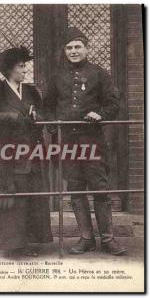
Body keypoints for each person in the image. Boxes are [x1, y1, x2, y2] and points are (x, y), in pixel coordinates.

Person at [43, 27, 127, 255]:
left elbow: (113, 104)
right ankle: (86, 238)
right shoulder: (57, 77)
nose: (73, 51)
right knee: (76, 187)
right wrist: (53, 124)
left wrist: (101, 114)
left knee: (99, 187)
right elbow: (47, 107)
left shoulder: (100, 74)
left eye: (77, 47)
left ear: (87, 49)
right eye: (69, 47)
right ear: (65, 50)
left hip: (92, 140)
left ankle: (108, 240)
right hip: (67, 142)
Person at [0, 46, 53, 257]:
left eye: (25, 66)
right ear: (9, 69)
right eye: (21, 67)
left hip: (33, 150)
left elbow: (42, 114)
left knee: (32, 195)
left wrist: (37, 117)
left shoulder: (31, 91)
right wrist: (13, 117)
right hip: (8, 151)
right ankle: (12, 246)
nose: (25, 71)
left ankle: (30, 243)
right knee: (12, 195)